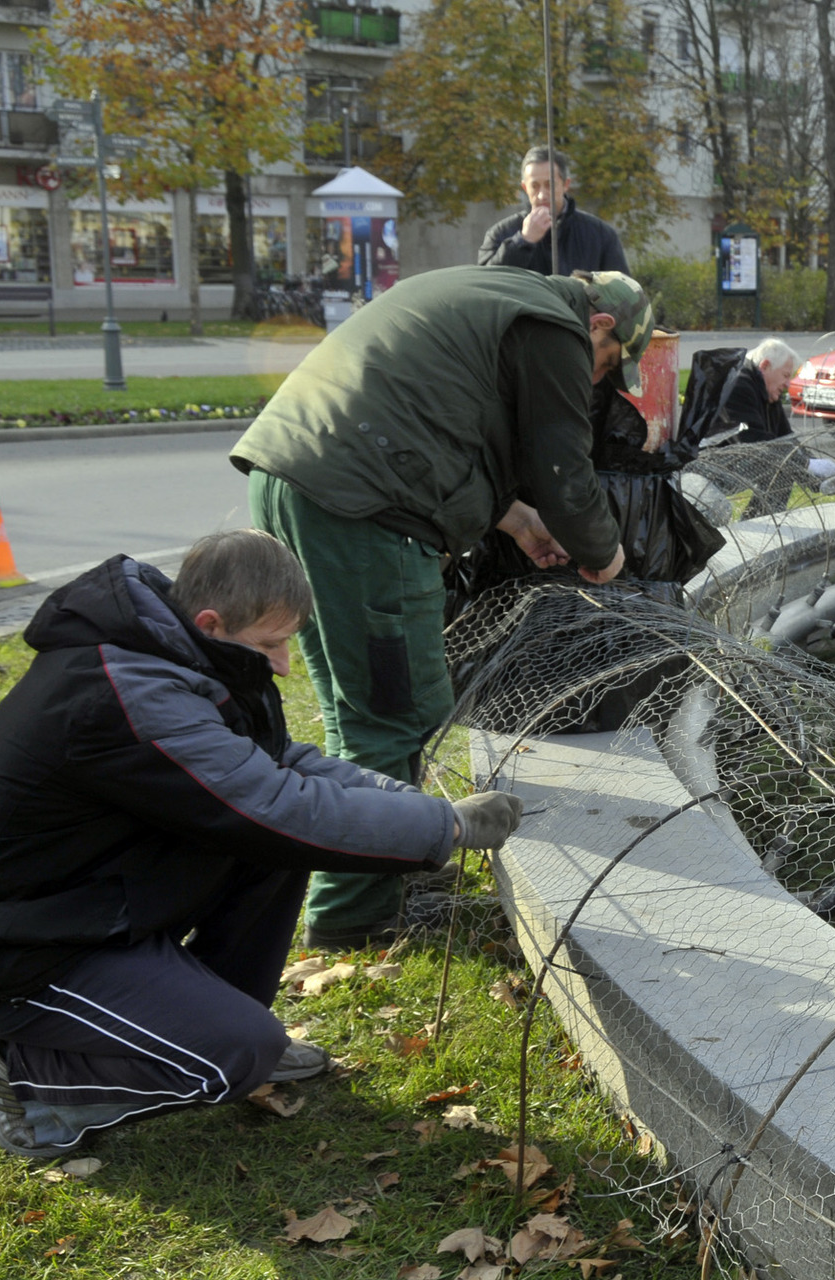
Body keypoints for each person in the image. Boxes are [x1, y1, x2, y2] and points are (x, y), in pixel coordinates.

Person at [0, 531, 523, 1159]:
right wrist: (446, 828)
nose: (284, 665)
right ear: (212, 621)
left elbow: (278, 763)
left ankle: (211, 1024)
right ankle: (28, 1079)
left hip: (80, 902)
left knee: (270, 852)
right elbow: (276, 805)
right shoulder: (129, 695)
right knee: (238, 1053)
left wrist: (419, 808)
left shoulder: (178, 654)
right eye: (270, 643)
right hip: (14, 948)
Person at [231, 265, 654, 950]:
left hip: (297, 479)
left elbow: (438, 418)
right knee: (395, 713)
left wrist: (514, 519)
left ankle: (383, 865)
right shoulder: (556, 327)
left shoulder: (495, 293)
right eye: (606, 363)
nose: (599, 378)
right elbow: (563, 470)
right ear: (600, 324)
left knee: (354, 709)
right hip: (363, 510)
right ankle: (355, 914)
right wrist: (604, 554)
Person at [683, 338, 835, 515]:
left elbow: (787, 440)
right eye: (786, 375)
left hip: (730, 462)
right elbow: (753, 441)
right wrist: (808, 465)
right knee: (717, 511)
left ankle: (763, 524)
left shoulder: (766, 390)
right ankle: (753, 526)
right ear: (765, 366)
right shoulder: (736, 384)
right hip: (701, 467)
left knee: (782, 462)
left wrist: (821, 479)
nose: (788, 384)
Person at [477, 146, 630, 277]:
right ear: (524, 187)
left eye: (549, 185)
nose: (542, 195)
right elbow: (486, 284)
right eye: (534, 186)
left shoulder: (600, 235)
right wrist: (523, 242)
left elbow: (623, 291)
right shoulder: (500, 233)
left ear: (566, 184)